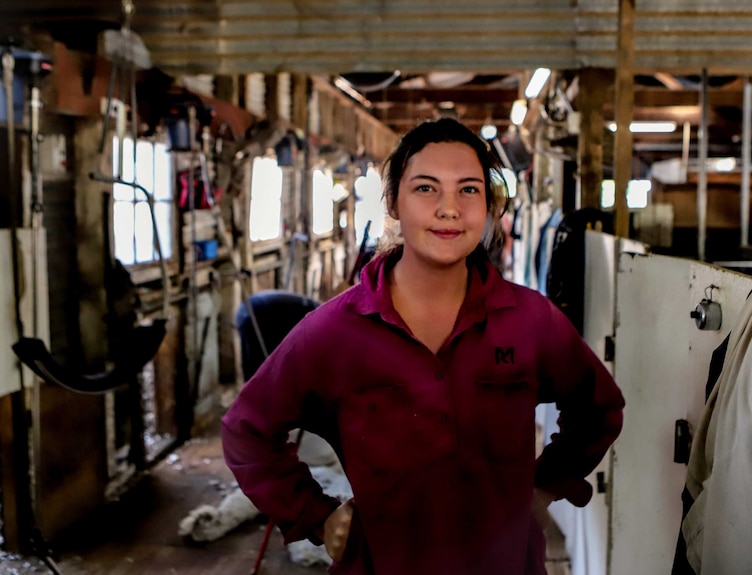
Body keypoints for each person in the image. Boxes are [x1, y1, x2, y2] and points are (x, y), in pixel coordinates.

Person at [221, 117, 625, 575]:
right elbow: (246, 432)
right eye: (426, 188)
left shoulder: (530, 321)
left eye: (469, 190)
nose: (449, 209)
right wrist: (317, 515)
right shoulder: (334, 332)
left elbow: (599, 408)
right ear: (393, 202)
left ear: (489, 205)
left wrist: (546, 485)